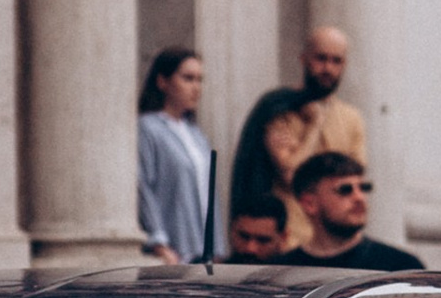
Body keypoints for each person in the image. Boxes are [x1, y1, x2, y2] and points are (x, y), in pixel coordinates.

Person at [230, 27, 367, 256]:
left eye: (336, 61)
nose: (327, 68)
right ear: (304, 58)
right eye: (321, 58)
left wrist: (298, 150)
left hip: (335, 244)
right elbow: (291, 176)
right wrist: (314, 126)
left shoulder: (351, 118)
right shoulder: (279, 109)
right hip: (288, 240)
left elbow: (352, 181)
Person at [137, 48, 216, 264]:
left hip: (201, 253)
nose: (196, 87)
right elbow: (143, 186)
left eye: (200, 80)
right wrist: (159, 243)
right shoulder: (148, 128)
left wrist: (215, 246)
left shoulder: (196, 134)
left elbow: (208, 192)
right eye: (188, 78)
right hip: (172, 252)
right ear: (163, 81)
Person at [289, 151, 422, 272]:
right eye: (345, 189)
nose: (359, 198)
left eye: (364, 188)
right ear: (309, 203)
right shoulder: (286, 271)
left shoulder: (402, 267)